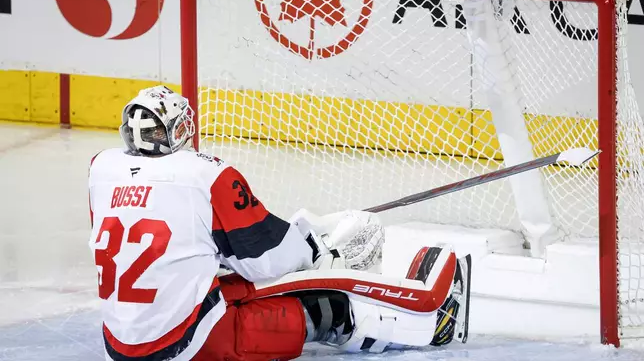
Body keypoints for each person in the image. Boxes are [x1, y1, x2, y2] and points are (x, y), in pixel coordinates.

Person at [88, 85, 472, 361]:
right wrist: (311, 248)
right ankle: (429, 325)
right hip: (192, 343)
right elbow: (267, 260)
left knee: (231, 283)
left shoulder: (102, 168)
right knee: (326, 307)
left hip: (118, 345)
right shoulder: (206, 174)